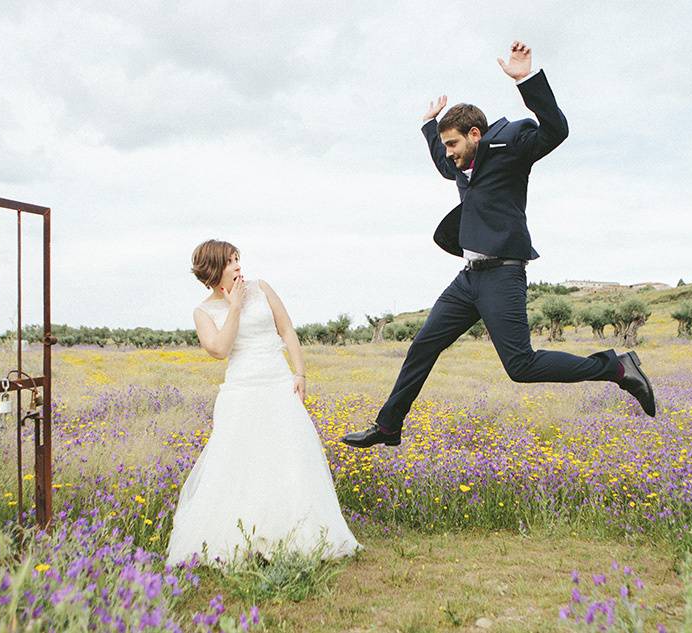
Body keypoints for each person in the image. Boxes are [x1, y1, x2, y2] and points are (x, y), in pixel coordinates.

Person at [342, 40, 655, 450]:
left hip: (503, 273)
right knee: (423, 346)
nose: (449, 153)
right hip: (467, 279)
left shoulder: (511, 148)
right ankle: (387, 427)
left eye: (453, 143)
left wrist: (526, 79)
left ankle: (614, 367)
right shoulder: (459, 163)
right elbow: (442, 162)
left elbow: (556, 130)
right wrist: (429, 123)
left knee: (520, 366)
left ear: (475, 134)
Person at [167, 240, 360, 566]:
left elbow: (286, 330)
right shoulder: (203, 312)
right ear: (215, 269)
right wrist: (235, 308)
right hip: (241, 392)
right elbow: (220, 349)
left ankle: (294, 535)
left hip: (278, 385)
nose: (239, 266)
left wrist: (300, 373)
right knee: (241, 463)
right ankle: (244, 537)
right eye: (231, 262)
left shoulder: (262, 288)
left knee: (289, 458)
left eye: (239, 259)